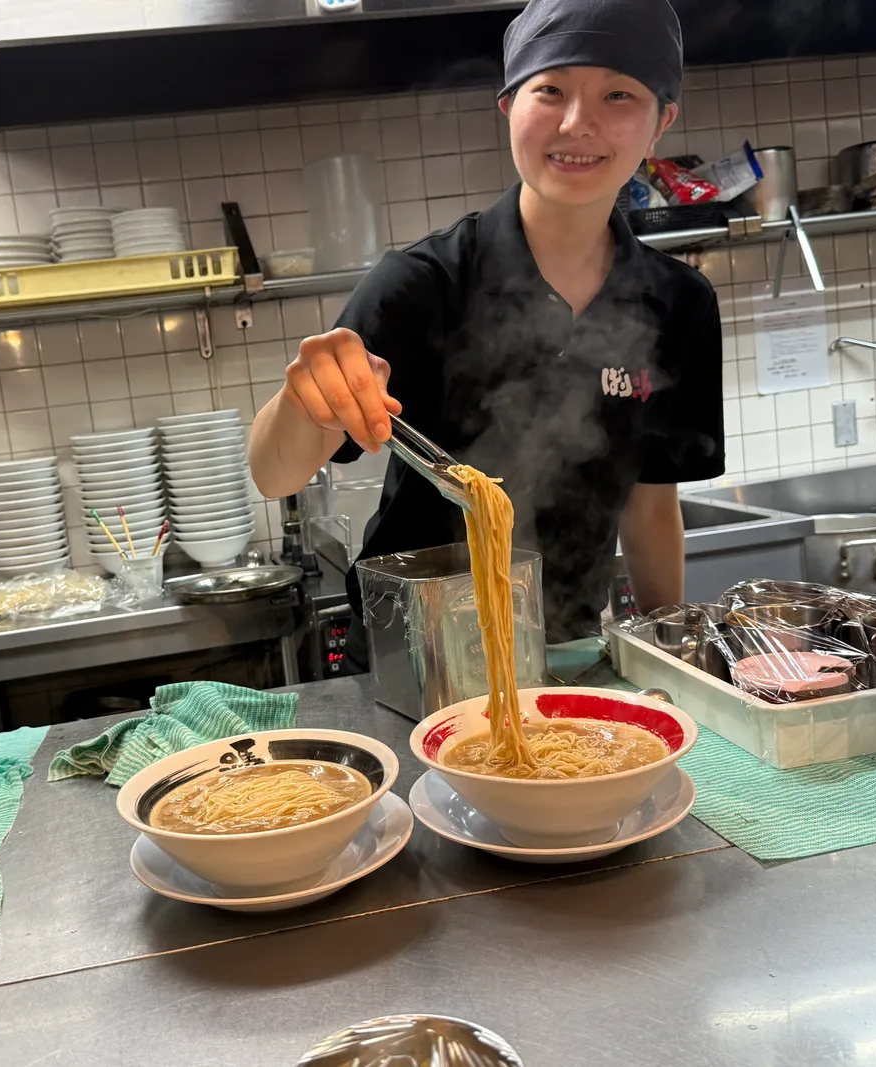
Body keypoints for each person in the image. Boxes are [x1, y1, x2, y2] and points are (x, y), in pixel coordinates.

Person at [249, 0, 725, 669]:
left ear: (661, 122)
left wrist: (669, 657)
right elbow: (274, 474)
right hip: (409, 664)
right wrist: (304, 403)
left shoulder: (680, 304)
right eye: (550, 90)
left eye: (619, 94)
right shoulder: (420, 285)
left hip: (568, 654)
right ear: (508, 106)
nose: (577, 122)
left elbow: (649, 507)